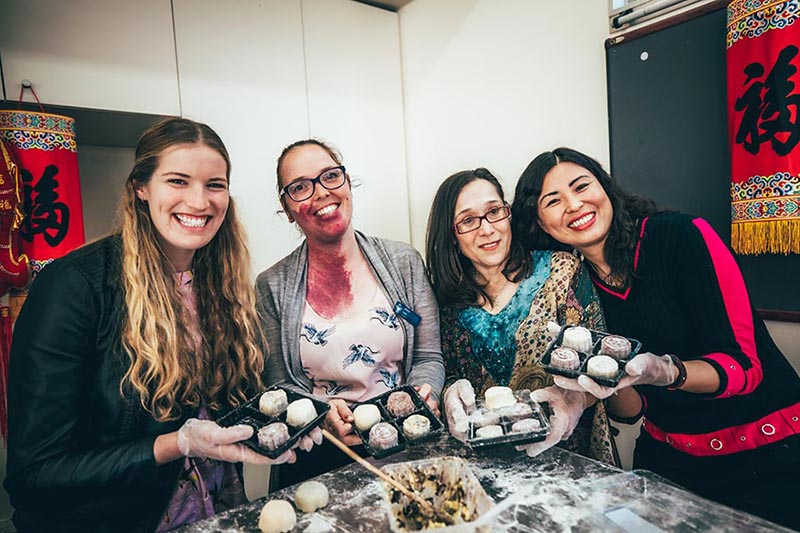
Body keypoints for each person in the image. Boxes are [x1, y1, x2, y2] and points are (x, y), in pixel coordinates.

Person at [4, 118, 318, 533]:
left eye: (214, 185)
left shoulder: (221, 285)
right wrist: (177, 444)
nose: (199, 201)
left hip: (218, 515)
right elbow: (34, 476)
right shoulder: (74, 287)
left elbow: (232, 401)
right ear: (141, 187)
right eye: (177, 181)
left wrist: (301, 413)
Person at [512, 146, 800, 529]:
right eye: (553, 201)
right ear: (541, 224)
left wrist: (665, 371)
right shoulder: (572, 284)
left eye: (581, 186)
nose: (574, 204)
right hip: (671, 460)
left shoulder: (680, 236)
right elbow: (630, 411)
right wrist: (592, 387)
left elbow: (744, 368)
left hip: (768, 454)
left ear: (606, 188)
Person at [256, 139, 445, 489]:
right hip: (317, 456)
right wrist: (321, 414)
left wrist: (423, 398)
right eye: (300, 187)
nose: (321, 193)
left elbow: (428, 356)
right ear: (287, 208)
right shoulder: (272, 286)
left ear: (347, 183)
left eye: (330, 176)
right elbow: (279, 385)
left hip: (404, 445)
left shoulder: (403, 263)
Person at [425, 168, 618, 464]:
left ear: (508, 213)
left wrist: (574, 401)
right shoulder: (445, 304)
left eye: (494, 212)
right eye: (468, 220)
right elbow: (444, 373)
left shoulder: (562, 272)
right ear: (452, 235)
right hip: (484, 464)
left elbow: (601, 366)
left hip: (569, 457)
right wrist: (449, 392)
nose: (487, 229)